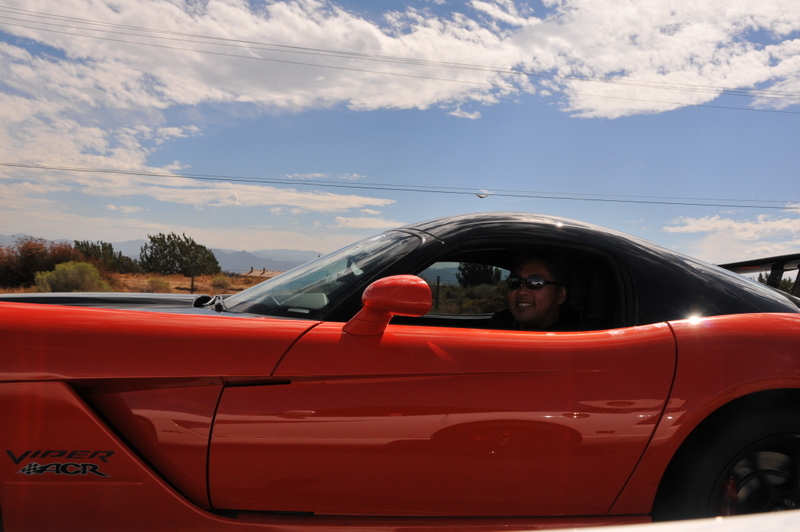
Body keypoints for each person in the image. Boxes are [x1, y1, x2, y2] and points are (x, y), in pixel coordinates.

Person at [491, 255, 571, 331]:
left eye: (535, 282)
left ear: (561, 295)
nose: (522, 292)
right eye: (515, 282)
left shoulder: (571, 337)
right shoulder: (498, 326)